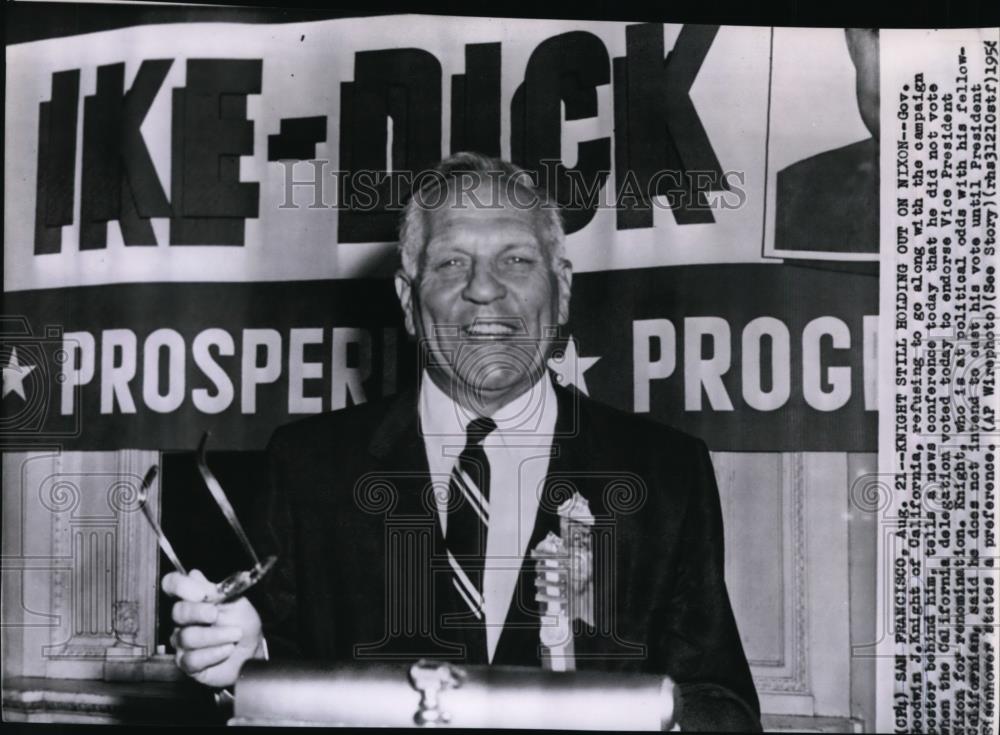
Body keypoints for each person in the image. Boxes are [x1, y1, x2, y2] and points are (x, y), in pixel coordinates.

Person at [163, 152, 761, 731]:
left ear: (562, 288)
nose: (483, 289)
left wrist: (647, 721)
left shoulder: (664, 473)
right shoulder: (308, 465)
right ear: (408, 300)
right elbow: (275, 674)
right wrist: (241, 659)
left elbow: (719, 701)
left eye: (517, 260)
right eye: (451, 263)